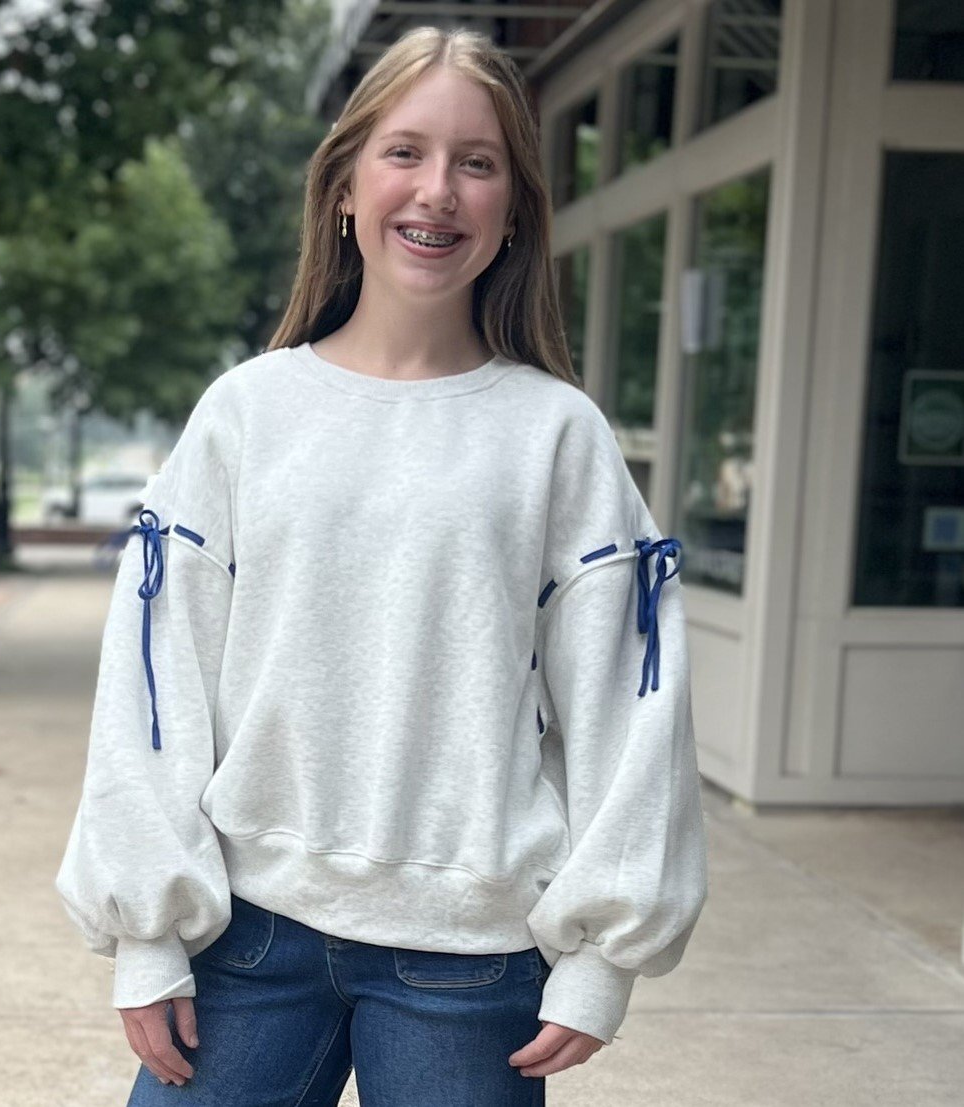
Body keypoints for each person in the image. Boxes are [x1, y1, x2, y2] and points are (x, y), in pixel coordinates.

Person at [55, 24, 708, 1107]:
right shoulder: (246, 412)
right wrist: (146, 932)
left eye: (477, 162)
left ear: (514, 209)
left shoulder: (558, 435)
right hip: (244, 938)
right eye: (405, 151)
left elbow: (629, 705)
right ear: (345, 187)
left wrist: (603, 952)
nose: (437, 190)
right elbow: (156, 678)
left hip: (472, 956)